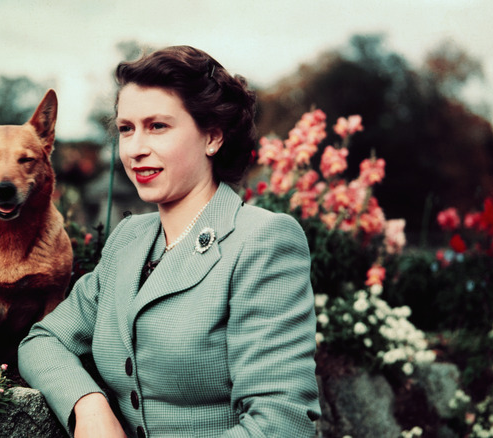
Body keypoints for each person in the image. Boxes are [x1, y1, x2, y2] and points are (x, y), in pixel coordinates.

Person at [18, 45, 321, 437]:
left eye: (157, 126)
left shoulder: (263, 240)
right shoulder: (129, 239)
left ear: (212, 137)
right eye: (126, 129)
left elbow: (282, 423)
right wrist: (88, 406)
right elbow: (44, 340)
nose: (136, 149)